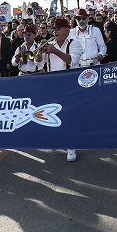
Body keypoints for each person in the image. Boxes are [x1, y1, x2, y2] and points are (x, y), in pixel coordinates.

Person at [44, 18, 83, 162]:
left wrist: (54, 51)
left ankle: (71, 146)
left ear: (67, 30)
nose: (55, 31)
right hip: (52, 84)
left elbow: (72, 60)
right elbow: (38, 62)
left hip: (69, 84)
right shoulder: (50, 44)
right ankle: (59, 140)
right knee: (54, 114)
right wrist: (38, 55)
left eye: (58, 28)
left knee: (69, 116)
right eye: (54, 29)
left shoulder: (75, 43)